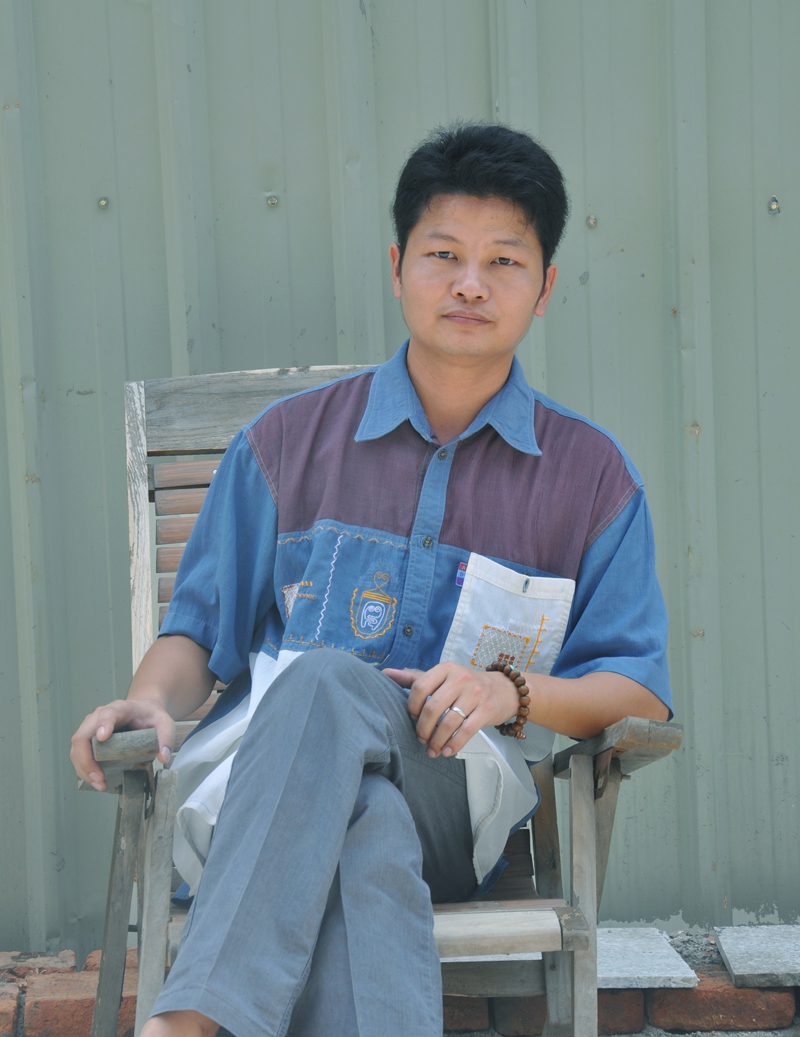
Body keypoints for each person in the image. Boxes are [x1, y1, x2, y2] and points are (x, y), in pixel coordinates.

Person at [71, 123, 672, 1037]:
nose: (470, 283)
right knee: (365, 820)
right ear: (398, 268)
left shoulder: (590, 480)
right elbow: (197, 631)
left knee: (330, 690)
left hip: (452, 804)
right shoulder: (285, 444)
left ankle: (188, 1020)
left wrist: (510, 691)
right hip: (259, 795)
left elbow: (637, 691)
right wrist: (149, 700)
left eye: (504, 261)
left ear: (545, 288)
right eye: (444, 254)